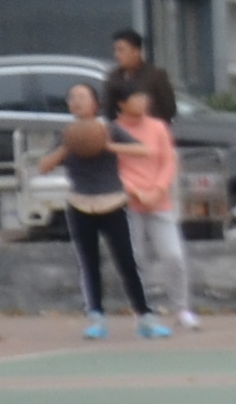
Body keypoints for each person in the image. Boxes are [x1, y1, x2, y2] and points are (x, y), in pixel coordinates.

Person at [52, 82, 154, 338]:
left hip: (112, 202)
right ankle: (96, 316)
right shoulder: (67, 133)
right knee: (89, 263)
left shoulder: (108, 128)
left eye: (82, 96)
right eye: (72, 97)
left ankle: (144, 316)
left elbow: (143, 150)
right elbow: (43, 165)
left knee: (126, 262)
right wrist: (67, 147)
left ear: (95, 103)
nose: (76, 101)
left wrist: (108, 145)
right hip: (80, 204)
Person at [114, 81, 195, 332]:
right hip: (128, 204)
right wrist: (135, 191)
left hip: (160, 203)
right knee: (136, 259)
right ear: (122, 104)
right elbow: (112, 168)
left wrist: (157, 190)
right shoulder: (114, 130)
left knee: (173, 256)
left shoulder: (158, 127)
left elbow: (168, 162)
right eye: (136, 98)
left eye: (144, 97)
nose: (143, 102)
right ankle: (142, 312)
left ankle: (181, 309)